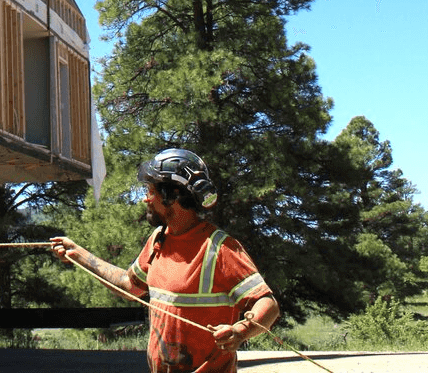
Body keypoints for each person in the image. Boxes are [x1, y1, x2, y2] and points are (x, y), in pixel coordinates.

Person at [50, 148, 279, 373]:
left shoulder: (219, 248)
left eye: (151, 191)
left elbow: (268, 305)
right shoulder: (158, 240)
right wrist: (78, 254)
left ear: (172, 196)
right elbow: (128, 285)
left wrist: (241, 331)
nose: (145, 199)